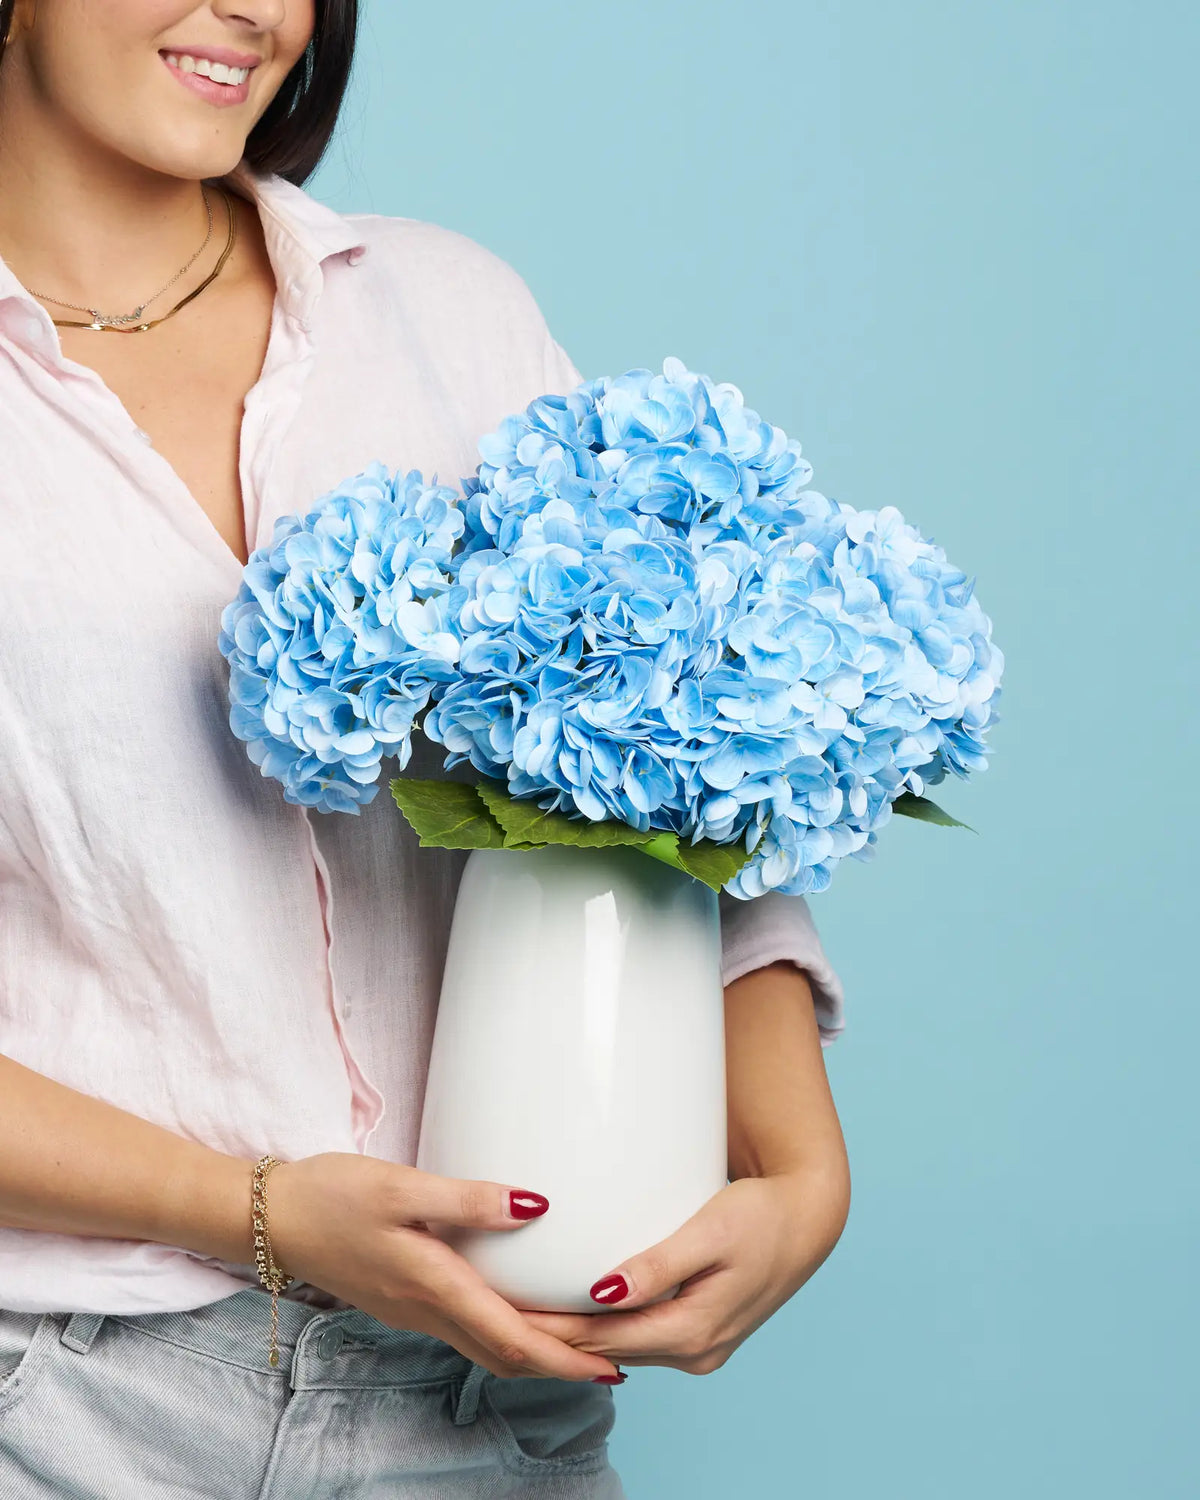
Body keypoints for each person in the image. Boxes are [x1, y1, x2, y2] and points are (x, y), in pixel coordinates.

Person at [0, 2, 853, 1494]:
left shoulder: (444, 312)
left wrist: (801, 1169)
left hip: (489, 1406)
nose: (250, 9)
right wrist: (257, 1207)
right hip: (61, 1401)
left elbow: (677, 750)